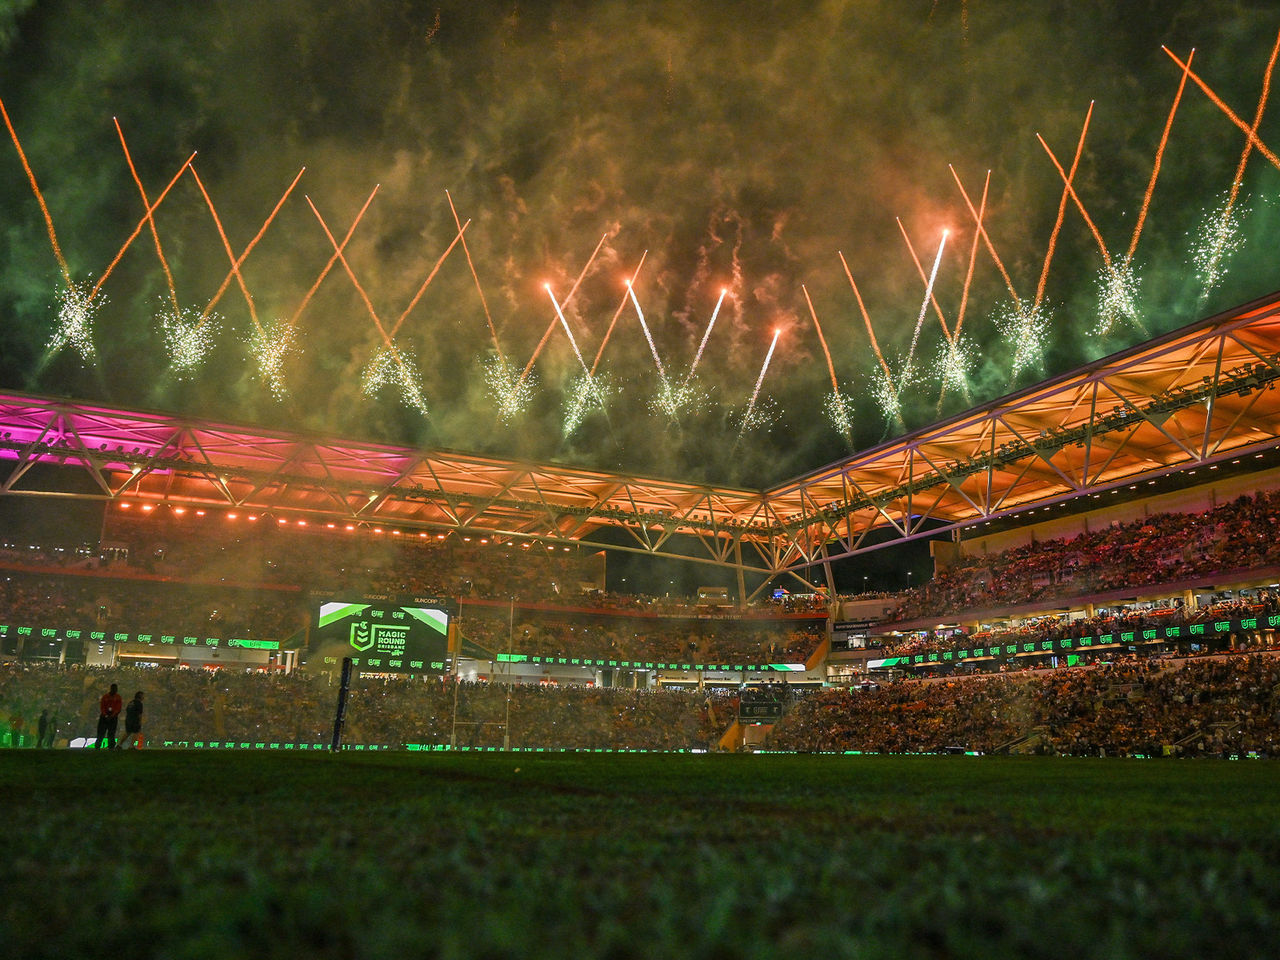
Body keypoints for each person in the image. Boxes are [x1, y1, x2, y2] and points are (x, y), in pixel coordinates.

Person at [95, 683, 123, 750]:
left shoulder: (118, 697)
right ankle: (98, 746)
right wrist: (106, 715)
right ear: (111, 689)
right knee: (101, 732)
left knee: (111, 733)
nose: (115, 690)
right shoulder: (105, 697)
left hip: (112, 717)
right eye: (114, 689)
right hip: (105, 716)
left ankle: (111, 746)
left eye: (116, 689)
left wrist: (111, 715)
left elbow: (118, 708)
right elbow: (102, 707)